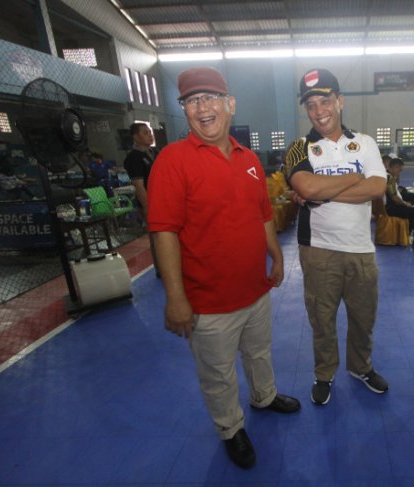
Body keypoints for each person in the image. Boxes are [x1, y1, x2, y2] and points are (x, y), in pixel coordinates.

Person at [147, 66, 300, 469]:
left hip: (255, 289)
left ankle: (264, 397)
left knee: (259, 353)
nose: (203, 108)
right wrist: (175, 298)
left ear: (229, 104)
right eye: (192, 101)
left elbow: (264, 214)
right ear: (185, 111)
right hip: (208, 303)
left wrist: (278, 256)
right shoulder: (172, 161)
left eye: (210, 97)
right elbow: (164, 231)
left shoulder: (249, 159)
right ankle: (231, 429)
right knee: (218, 375)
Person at [284, 68, 389, 405]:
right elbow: (307, 187)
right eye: (311, 104)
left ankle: (361, 366)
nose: (318, 110)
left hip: (360, 249)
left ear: (340, 102)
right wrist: (354, 176)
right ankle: (324, 374)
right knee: (322, 318)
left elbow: (377, 188)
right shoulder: (299, 148)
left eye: (325, 100)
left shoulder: (365, 142)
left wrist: (321, 192)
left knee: (363, 316)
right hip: (318, 250)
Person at [123, 123, 160, 273]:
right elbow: (139, 186)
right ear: (136, 137)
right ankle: (161, 268)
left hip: (163, 200)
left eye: (150, 132)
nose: (150, 135)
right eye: (145, 133)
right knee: (157, 238)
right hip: (150, 203)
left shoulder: (154, 152)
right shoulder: (134, 158)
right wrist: (148, 208)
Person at [385, 157, 414, 249]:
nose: (400, 172)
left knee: (413, 207)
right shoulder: (389, 178)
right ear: (395, 167)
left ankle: (409, 230)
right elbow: (394, 197)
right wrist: (405, 204)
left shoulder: (387, 176)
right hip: (390, 208)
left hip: (389, 205)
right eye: (399, 169)